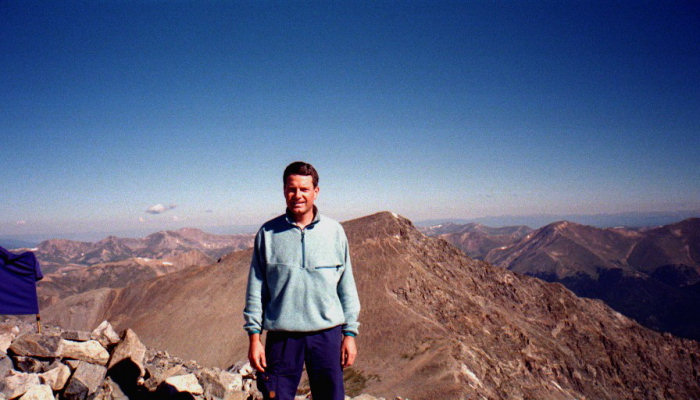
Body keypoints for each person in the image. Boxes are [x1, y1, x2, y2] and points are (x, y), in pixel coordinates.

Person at [243, 161, 361, 400]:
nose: (298, 195)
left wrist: (349, 334)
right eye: (291, 189)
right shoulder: (267, 234)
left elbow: (346, 286)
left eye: (304, 189)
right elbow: (256, 289)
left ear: (316, 192)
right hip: (283, 335)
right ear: (284, 190)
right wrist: (254, 338)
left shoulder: (335, 232)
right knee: (276, 397)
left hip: (327, 334)